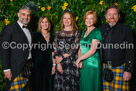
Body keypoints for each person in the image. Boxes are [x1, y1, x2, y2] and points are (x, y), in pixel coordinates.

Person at [99, 5, 134, 91]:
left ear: (119, 16)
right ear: (106, 17)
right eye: (109, 14)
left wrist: (128, 70)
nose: (112, 17)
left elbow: (130, 50)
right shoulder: (101, 29)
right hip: (104, 68)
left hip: (120, 68)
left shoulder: (126, 29)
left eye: (114, 14)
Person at [0, 6, 33, 91]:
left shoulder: (30, 30)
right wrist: (6, 69)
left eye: (28, 15)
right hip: (16, 69)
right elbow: (4, 50)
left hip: (28, 68)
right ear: (18, 15)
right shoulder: (9, 29)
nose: (26, 17)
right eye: (23, 14)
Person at [53, 11, 81, 91]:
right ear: (62, 20)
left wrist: (62, 56)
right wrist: (58, 63)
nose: (66, 20)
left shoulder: (76, 32)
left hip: (71, 63)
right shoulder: (58, 33)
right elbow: (56, 49)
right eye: (65, 18)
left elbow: (75, 47)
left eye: (69, 18)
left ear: (72, 20)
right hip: (60, 64)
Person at [75, 10, 102, 91]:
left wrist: (79, 59)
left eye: (91, 18)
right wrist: (80, 60)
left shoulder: (97, 32)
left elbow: (93, 50)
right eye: (87, 18)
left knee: (91, 86)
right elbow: (80, 48)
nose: (89, 20)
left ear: (94, 20)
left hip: (92, 63)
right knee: (85, 85)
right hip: (84, 62)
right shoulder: (84, 32)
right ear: (84, 19)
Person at [32, 16, 55, 91]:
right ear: (40, 24)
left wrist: (54, 65)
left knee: (49, 86)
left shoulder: (53, 36)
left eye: (46, 22)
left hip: (49, 66)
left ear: (49, 24)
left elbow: (53, 52)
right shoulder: (35, 36)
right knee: (38, 86)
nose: (45, 24)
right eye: (43, 22)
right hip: (38, 67)